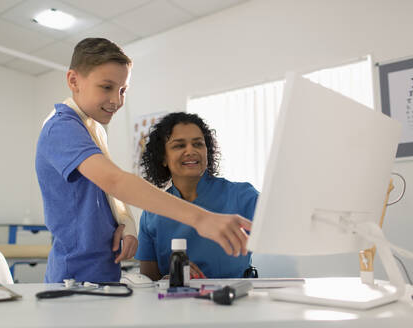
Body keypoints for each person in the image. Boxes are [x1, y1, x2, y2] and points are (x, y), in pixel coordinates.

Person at [35, 38, 252, 284]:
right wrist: (201, 219)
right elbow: (115, 180)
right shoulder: (62, 127)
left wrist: (123, 224)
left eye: (123, 90)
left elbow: (102, 191)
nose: (117, 100)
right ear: (74, 81)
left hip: (102, 270)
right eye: (106, 87)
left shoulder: (92, 130)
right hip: (74, 275)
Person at [136, 112, 259, 280]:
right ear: (163, 158)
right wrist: (169, 279)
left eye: (198, 144)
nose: (191, 150)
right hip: (176, 303)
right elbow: (148, 281)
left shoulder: (242, 196)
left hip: (234, 300)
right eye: (179, 145)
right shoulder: (152, 213)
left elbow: (283, 226)